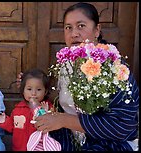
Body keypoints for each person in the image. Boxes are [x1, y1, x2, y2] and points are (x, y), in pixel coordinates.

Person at [17, 2, 139, 151]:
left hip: (107, 142)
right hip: (71, 138)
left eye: (81, 26)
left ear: (97, 30)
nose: (74, 33)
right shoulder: (66, 65)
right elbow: (63, 104)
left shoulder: (116, 70)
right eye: (68, 27)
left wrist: (64, 120)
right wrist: (30, 85)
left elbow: (123, 126)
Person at [0, 68, 54, 151]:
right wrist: (4, 121)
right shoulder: (18, 109)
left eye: (39, 89)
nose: (33, 93)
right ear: (23, 91)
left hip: (39, 148)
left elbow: (50, 126)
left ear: (45, 91)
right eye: (29, 89)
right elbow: (12, 127)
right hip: (19, 148)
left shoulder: (47, 106)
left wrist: (46, 112)